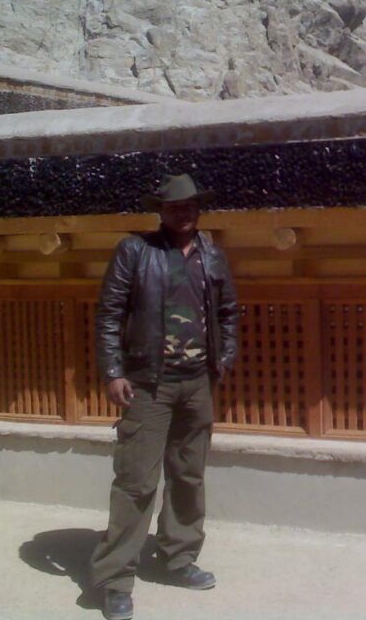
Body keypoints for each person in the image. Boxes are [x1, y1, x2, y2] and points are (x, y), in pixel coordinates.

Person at [89, 173, 238, 620]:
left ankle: (178, 557)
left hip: (196, 383)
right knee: (136, 481)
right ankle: (115, 579)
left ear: (198, 209)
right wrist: (113, 371)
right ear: (161, 211)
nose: (183, 212)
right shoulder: (135, 252)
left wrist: (225, 356)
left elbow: (229, 310)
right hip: (148, 384)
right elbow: (109, 313)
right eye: (174, 206)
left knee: (188, 475)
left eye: (190, 205)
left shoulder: (213, 255)